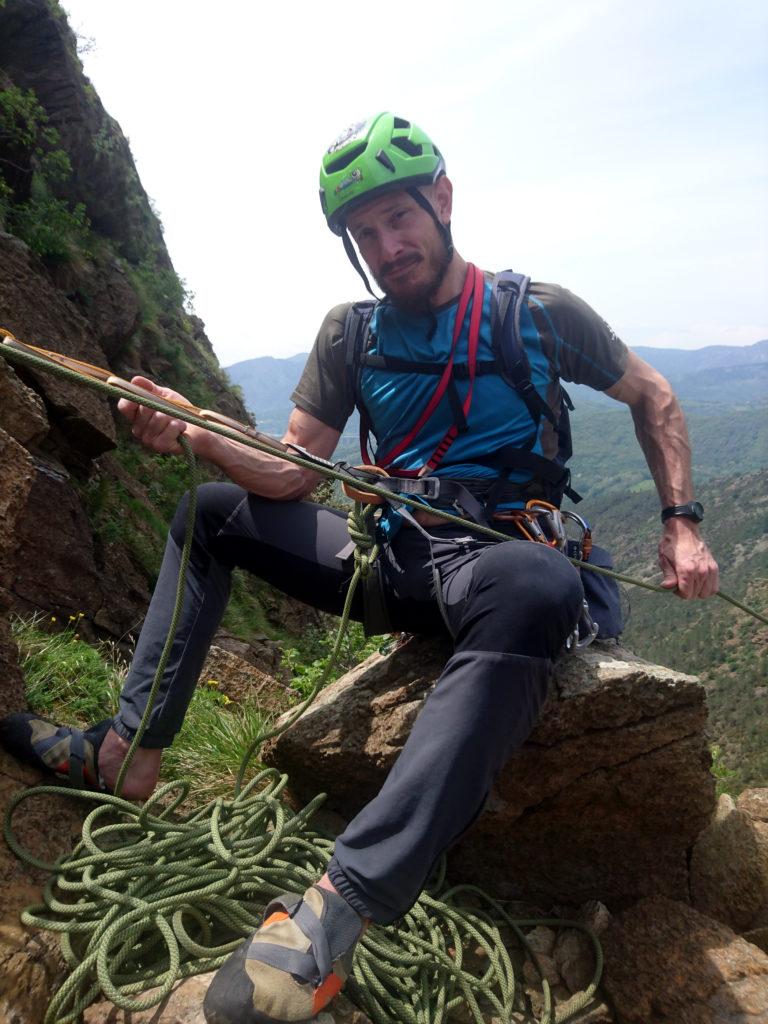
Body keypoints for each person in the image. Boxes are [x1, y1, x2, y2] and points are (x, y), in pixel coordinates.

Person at [1, 113, 719, 1024]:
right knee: (208, 514)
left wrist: (683, 526)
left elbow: (652, 393)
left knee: (539, 584)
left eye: (398, 219)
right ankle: (124, 753)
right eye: (364, 233)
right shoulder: (354, 334)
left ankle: (342, 907)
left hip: (504, 560)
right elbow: (294, 474)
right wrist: (197, 433)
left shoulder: (533, 313)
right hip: (397, 557)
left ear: (443, 201)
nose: (385, 246)